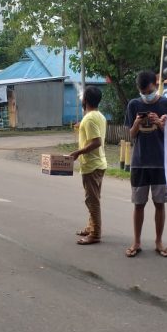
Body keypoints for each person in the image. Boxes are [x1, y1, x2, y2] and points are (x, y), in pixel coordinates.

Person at [123, 71, 167, 258]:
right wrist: (137, 123)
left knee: (160, 204)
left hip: (162, 163)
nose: (146, 95)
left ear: (157, 84)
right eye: (142, 92)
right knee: (139, 204)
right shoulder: (133, 105)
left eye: (149, 91)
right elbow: (130, 134)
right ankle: (136, 242)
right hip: (139, 163)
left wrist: (160, 124)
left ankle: (159, 242)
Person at [69, 86, 107, 245]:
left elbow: (96, 142)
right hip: (98, 163)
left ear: (85, 100)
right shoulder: (99, 116)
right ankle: (91, 227)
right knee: (92, 198)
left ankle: (95, 234)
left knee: (92, 200)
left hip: (92, 165)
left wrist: (78, 152)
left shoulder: (90, 118)